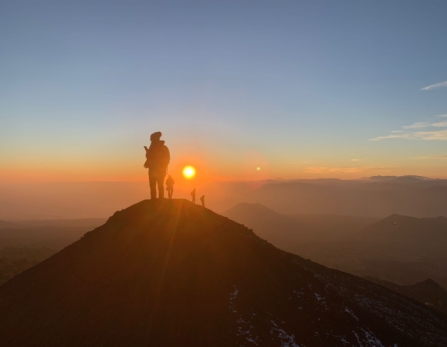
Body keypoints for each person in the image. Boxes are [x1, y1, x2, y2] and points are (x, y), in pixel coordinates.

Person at [144, 132, 170, 199]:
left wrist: (160, 164)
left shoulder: (163, 148)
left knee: (159, 186)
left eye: (151, 138)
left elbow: (167, 159)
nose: (150, 140)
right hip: (153, 170)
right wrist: (147, 152)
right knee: (153, 186)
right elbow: (149, 157)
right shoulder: (152, 148)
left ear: (155, 138)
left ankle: (159, 201)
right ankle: (154, 201)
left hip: (159, 170)